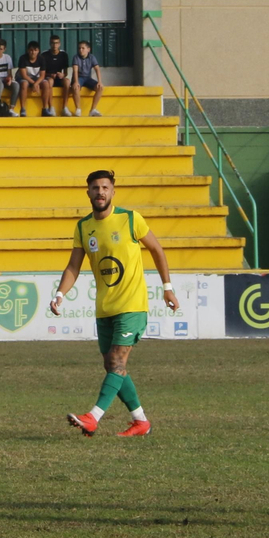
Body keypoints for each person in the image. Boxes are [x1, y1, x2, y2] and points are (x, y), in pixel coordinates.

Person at [54, 169, 177, 437]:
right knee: (113, 366)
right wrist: (60, 294)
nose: (100, 192)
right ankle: (141, 421)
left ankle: (93, 417)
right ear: (88, 192)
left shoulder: (131, 219)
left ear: (113, 191)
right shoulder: (83, 227)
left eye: (105, 187)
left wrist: (167, 288)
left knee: (117, 360)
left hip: (132, 306)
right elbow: (73, 266)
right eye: (95, 188)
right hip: (104, 308)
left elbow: (156, 250)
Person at [68, 40, 106, 117]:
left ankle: (93, 110)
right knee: (76, 87)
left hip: (88, 78)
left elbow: (97, 69)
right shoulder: (76, 57)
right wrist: (76, 82)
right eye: (79, 48)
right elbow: (75, 70)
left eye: (83, 48)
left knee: (100, 88)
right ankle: (78, 109)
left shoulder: (92, 57)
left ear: (88, 49)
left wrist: (99, 81)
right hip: (79, 78)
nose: (80, 50)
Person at [37, 35, 71, 117]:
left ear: (59, 44)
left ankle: (64, 107)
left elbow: (66, 72)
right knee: (50, 81)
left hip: (59, 77)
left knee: (67, 81)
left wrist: (62, 75)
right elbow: (42, 72)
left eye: (56, 43)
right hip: (49, 76)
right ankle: (51, 107)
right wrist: (50, 75)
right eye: (53, 43)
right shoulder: (44, 55)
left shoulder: (63, 55)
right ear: (50, 44)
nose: (54, 45)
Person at [13, 41, 43, 118]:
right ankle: (23, 108)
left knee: (46, 83)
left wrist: (36, 84)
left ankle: (46, 108)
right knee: (24, 83)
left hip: (36, 79)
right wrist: (34, 83)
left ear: (38, 51)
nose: (33, 52)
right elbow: (24, 75)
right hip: (22, 77)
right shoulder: (23, 58)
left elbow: (42, 76)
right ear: (28, 50)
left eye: (35, 50)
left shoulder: (41, 59)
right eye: (31, 50)